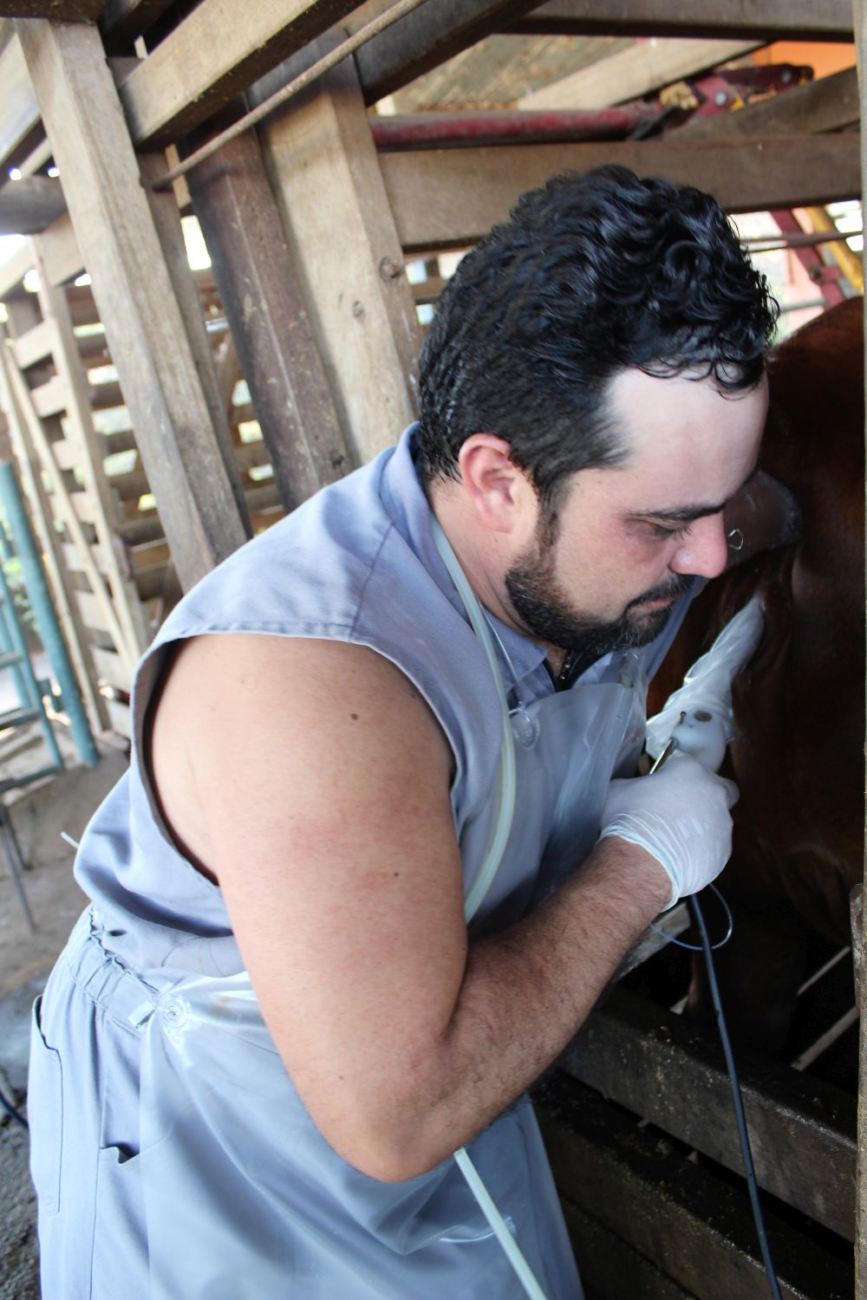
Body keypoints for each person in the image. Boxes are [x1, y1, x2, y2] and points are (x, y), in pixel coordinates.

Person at [29, 165, 792, 1299]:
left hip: (431, 1062)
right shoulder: (316, 691)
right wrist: (641, 865)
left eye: (715, 506)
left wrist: (771, 522)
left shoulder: (585, 540)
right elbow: (402, 1105)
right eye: (666, 524)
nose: (708, 559)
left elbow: (752, 516)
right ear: (497, 479)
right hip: (224, 1134)